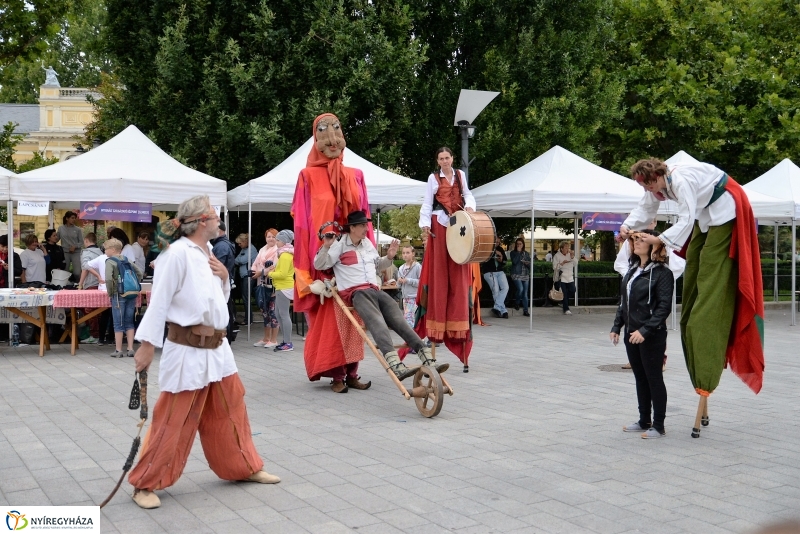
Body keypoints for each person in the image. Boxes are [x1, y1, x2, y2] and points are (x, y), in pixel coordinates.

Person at [129, 194, 281, 510]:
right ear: (201, 221)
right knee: (173, 418)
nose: (218, 221)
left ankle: (244, 467)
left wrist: (225, 278)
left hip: (218, 350)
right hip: (186, 351)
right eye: (214, 215)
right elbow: (159, 301)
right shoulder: (176, 254)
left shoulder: (207, 251)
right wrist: (146, 346)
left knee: (232, 410)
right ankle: (145, 483)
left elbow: (214, 299)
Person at [619, 157, 765, 402]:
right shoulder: (656, 187)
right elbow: (645, 209)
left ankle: (707, 315)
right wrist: (627, 226)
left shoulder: (680, 181)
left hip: (725, 208)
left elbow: (685, 219)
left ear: (656, 177)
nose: (646, 190)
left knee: (709, 265)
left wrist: (659, 240)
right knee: (695, 261)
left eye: (647, 185)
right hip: (706, 214)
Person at [314, 211, 447, 392]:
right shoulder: (339, 244)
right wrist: (326, 247)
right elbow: (320, 265)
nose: (365, 228)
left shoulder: (367, 243)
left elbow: (377, 266)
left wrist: (390, 257)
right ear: (352, 228)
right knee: (378, 323)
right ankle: (395, 364)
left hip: (375, 290)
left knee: (399, 320)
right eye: (362, 225)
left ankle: (427, 357)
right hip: (356, 292)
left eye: (365, 225)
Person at [292, 113, 374, 389]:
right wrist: (305, 277)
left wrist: (371, 263)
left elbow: (364, 221)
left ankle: (352, 372)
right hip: (323, 265)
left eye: (336, 131)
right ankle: (336, 375)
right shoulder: (307, 177)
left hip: (352, 265)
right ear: (316, 140)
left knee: (355, 320)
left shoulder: (357, 175)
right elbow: (303, 227)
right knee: (331, 323)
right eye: (324, 133)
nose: (331, 140)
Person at [415, 146, 477, 368]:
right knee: (440, 274)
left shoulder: (460, 175)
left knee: (458, 275)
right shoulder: (433, 178)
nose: (444, 161)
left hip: (458, 223)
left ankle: (458, 330)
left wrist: (469, 208)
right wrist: (424, 226)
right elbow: (426, 202)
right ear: (437, 160)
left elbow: (468, 194)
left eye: (447, 157)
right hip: (439, 224)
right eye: (441, 158)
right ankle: (436, 329)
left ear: (452, 158)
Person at [610, 230, 674, 438]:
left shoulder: (663, 273)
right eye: (634, 239)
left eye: (641, 239)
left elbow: (664, 307)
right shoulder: (633, 269)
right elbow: (625, 302)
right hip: (631, 333)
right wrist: (616, 326)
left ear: (654, 245)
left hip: (651, 335)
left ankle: (659, 425)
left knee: (653, 378)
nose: (636, 243)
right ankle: (644, 419)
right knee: (640, 378)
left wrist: (645, 330)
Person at [614, 218, 686, 371]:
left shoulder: (660, 244)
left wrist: (657, 281)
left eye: (651, 221)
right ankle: (636, 358)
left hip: (651, 299)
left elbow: (663, 307)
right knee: (640, 374)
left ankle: (660, 359)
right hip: (636, 298)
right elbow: (620, 264)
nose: (638, 241)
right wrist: (634, 278)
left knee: (654, 330)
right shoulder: (632, 251)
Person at [103, 238, 143, 358]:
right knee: (129, 321)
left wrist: (110, 292)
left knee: (118, 322)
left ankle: (118, 350)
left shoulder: (110, 261)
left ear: (113, 250)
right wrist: (133, 284)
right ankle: (130, 349)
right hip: (131, 293)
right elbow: (139, 273)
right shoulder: (127, 260)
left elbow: (109, 279)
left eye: (106, 249)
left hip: (118, 294)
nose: (105, 251)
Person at [265, 230, 295, 352]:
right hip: (281, 287)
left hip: (284, 287)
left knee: (283, 314)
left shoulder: (285, 255)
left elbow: (282, 274)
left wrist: (270, 273)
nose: (275, 242)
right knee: (278, 314)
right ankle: (286, 341)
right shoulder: (284, 254)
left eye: (277, 240)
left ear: (284, 241)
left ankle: (288, 342)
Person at [251, 228, 280, 347]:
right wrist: (253, 272)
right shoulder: (262, 250)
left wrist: (261, 272)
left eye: (273, 236)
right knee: (264, 310)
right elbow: (255, 263)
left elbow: (274, 266)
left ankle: (273, 340)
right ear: (265, 238)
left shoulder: (278, 251)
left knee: (273, 311)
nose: (271, 239)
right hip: (261, 282)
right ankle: (266, 337)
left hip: (272, 284)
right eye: (269, 236)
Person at [210, 222, 237, 340]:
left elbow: (216, 268)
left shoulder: (221, 246)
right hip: (223, 282)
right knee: (226, 310)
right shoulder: (223, 244)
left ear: (219, 230)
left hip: (221, 284)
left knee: (223, 311)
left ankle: (225, 338)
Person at [234, 233, 258, 324]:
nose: (239, 245)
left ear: (245, 241)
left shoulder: (251, 249)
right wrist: (240, 261)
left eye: (240, 243)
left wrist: (240, 261)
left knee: (246, 298)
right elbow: (236, 260)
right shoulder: (245, 249)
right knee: (245, 297)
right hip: (244, 275)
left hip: (249, 276)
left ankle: (248, 319)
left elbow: (241, 260)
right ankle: (248, 318)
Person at [483, 239, 509, 318]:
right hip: (489, 271)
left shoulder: (500, 249)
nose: (497, 243)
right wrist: (495, 252)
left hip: (500, 271)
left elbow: (505, 261)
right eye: (496, 241)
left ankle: (497, 307)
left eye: (498, 242)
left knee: (505, 287)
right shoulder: (487, 247)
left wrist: (501, 260)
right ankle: (503, 311)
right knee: (496, 290)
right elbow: (484, 257)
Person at [397, 245, 421, 328]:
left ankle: (411, 338)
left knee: (408, 318)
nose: (405, 255)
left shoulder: (417, 267)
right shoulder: (401, 268)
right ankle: (413, 338)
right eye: (403, 253)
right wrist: (399, 281)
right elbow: (399, 285)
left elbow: (420, 282)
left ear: (413, 254)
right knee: (409, 318)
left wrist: (408, 280)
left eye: (407, 253)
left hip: (414, 297)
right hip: (405, 297)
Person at [57, 211, 83, 280]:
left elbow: (81, 242)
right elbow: (56, 239)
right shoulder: (61, 228)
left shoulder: (78, 230)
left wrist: (75, 246)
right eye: (72, 218)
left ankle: (79, 285)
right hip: (65, 252)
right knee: (65, 272)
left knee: (77, 273)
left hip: (76, 252)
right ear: (67, 218)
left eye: (75, 218)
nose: (74, 219)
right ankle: (66, 287)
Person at [509, 238, 531, 317]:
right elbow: (514, 262)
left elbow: (530, 265)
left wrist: (527, 263)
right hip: (516, 273)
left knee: (525, 293)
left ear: (523, 245)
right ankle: (517, 302)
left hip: (525, 274)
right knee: (520, 289)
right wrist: (518, 252)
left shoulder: (526, 253)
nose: (519, 245)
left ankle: (526, 310)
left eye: (520, 244)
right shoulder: (513, 253)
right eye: (517, 244)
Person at [553, 241, 576, 315]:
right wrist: (562, 263)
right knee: (564, 293)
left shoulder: (570, 255)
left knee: (573, 290)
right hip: (562, 277)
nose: (567, 249)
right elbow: (554, 267)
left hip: (570, 277)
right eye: (566, 247)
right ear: (561, 248)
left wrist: (572, 257)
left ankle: (563, 301)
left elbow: (576, 263)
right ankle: (566, 309)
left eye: (568, 247)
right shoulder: (557, 256)